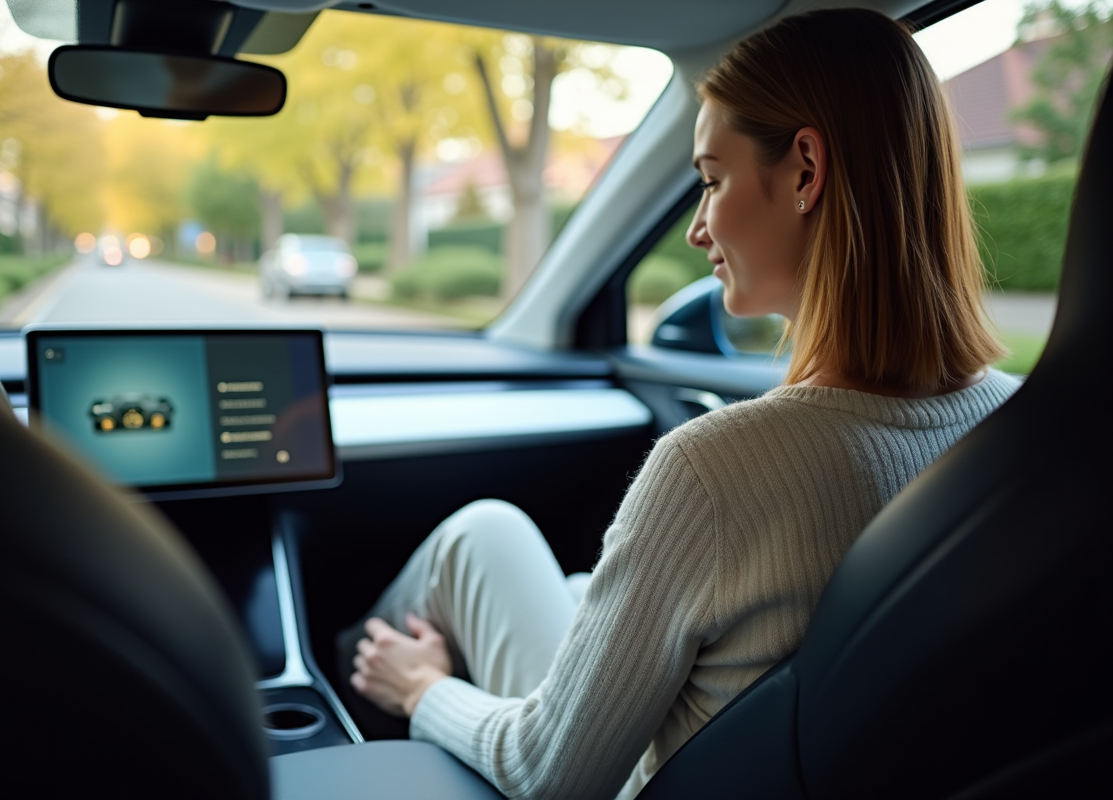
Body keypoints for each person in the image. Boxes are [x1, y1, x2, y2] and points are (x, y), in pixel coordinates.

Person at [343, 8, 1020, 800]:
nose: (698, 229)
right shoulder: (1015, 424)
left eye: (711, 180)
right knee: (547, 573)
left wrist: (422, 690)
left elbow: (546, 773)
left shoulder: (716, 468)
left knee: (478, 537)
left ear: (805, 170)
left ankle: (336, 695)